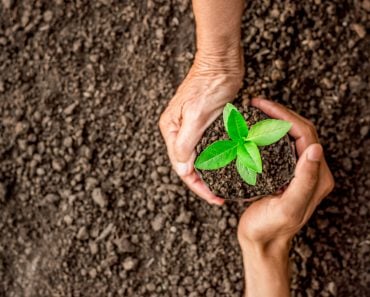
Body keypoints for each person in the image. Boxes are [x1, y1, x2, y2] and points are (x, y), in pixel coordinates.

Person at [159, 1, 334, 296]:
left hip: (243, 136)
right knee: (252, 163)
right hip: (246, 143)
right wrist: (263, 244)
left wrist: (216, 63)